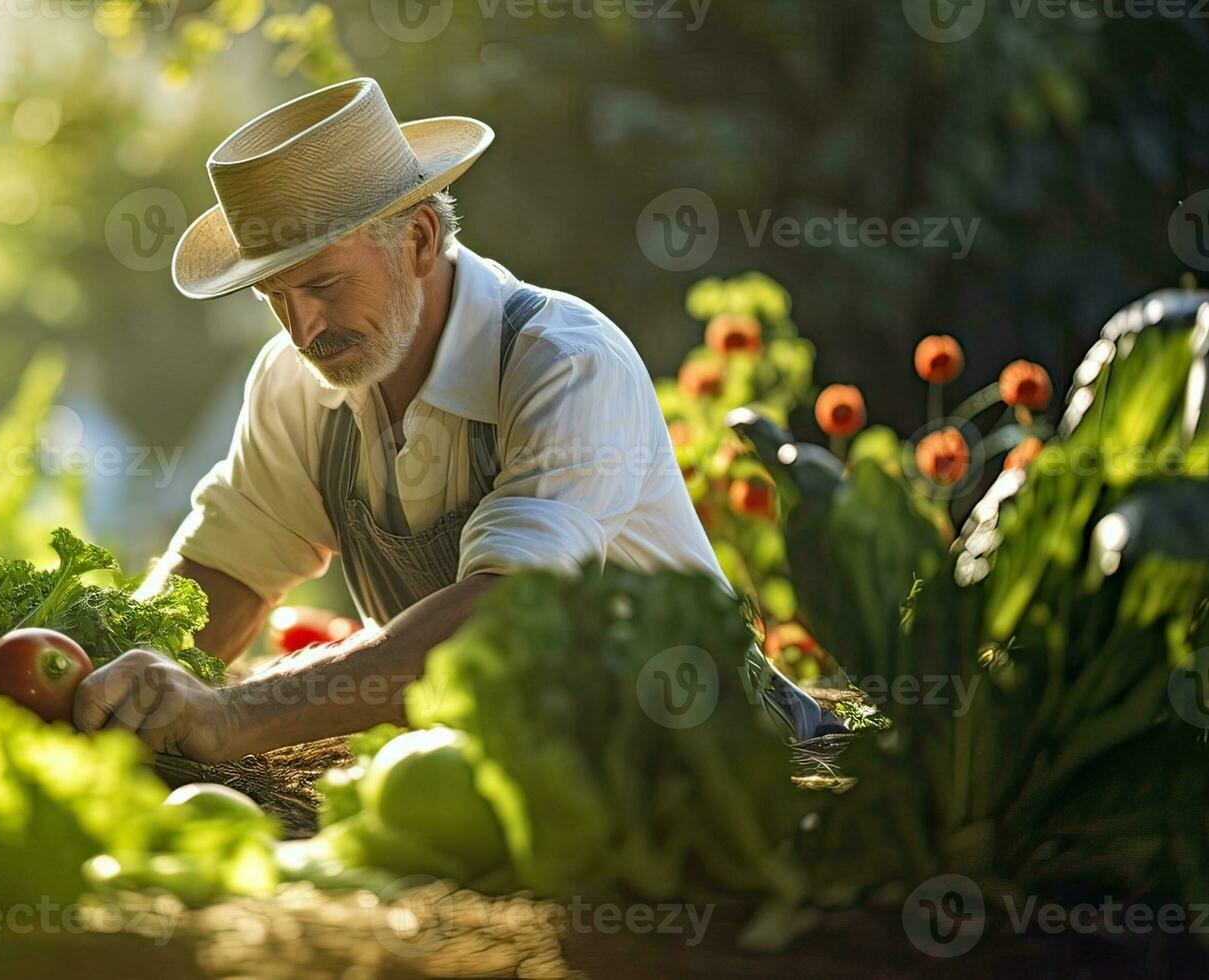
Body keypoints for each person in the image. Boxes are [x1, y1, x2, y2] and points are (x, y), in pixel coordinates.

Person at [71, 77, 835, 759]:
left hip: (731, 764)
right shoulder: (294, 383)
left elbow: (505, 618)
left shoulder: (562, 363)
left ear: (420, 240)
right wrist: (104, 680)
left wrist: (232, 715)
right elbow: (224, 571)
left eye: (325, 285)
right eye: (274, 297)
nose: (302, 329)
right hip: (548, 775)